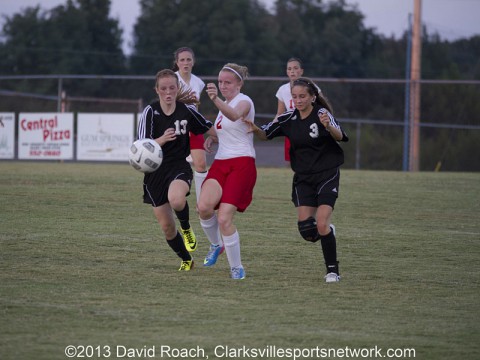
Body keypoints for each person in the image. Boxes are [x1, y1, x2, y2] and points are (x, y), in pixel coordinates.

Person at [248, 77, 348, 283]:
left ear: (312, 97)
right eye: (294, 97)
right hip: (303, 177)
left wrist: (329, 126)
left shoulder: (322, 114)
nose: (298, 100)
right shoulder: (288, 118)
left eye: (302, 96)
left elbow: (340, 137)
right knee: (308, 232)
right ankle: (328, 232)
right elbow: (265, 134)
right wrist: (254, 128)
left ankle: (332, 271)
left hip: (327, 173)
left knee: (321, 224)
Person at [137, 69, 216, 271]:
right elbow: (141, 144)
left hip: (179, 166)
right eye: (163, 88)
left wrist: (215, 137)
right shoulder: (150, 111)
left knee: (177, 199)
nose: (168, 91)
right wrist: (162, 139)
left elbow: (207, 126)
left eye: (172, 87)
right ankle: (186, 259)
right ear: (157, 90)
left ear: (177, 88)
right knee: (167, 228)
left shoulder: (186, 110)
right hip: (155, 172)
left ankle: (187, 227)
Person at [197, 63, 256, 280]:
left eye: (228, 82)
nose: (223, 86)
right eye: (220, 81)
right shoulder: (224, 105)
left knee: (223, 219)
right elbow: (225, 129)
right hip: (221, 162)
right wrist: (212, 136)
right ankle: (216, 245)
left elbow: (234, 116)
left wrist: (214, 99)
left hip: (242, 163)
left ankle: (236, 268)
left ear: (239, 83)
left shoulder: (244, 101)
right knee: (203, 207)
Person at [172, 47, 208, 203]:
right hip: (175, 126)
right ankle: (172, 196)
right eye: (182, 60)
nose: (185, 62)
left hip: (192, 126)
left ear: (193, 62)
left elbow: (196, 108)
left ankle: (202, 203)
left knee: (200, 164)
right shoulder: (171, 79)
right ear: (177, 62)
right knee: (173, 164)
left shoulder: (198, 82)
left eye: (188, 59)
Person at [275, 58, 320, 163]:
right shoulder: (283, 90)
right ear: (286, 72)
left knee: (311, 157)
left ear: (301, 71)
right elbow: (280, 113)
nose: (292, 71)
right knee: (293, 160)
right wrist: (270, 128)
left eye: (295, 68)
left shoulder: (311, 88)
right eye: (289, 69)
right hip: (292, 129)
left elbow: (321, 107)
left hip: (309, 127)